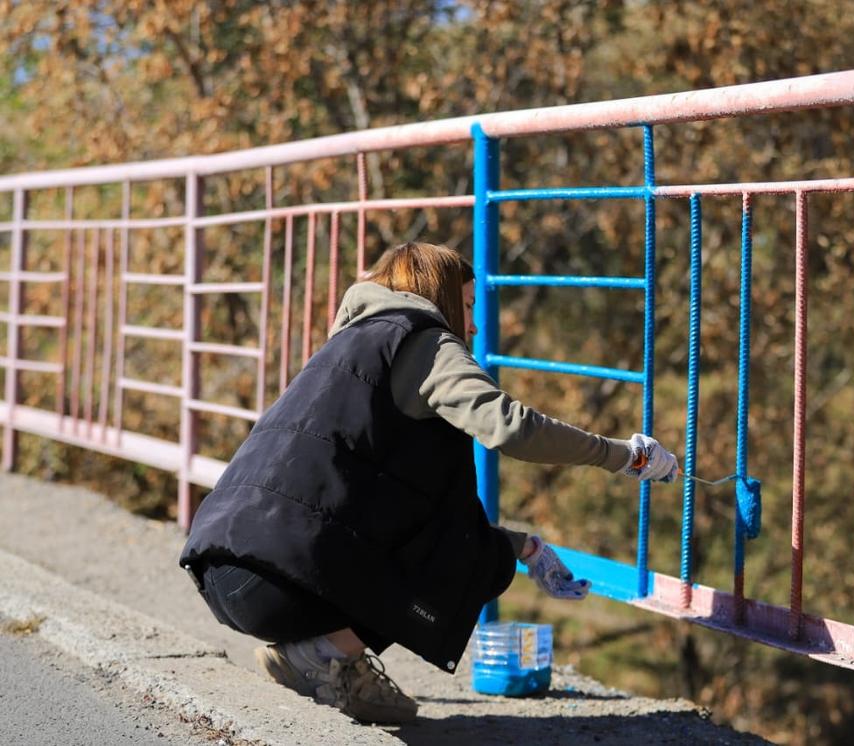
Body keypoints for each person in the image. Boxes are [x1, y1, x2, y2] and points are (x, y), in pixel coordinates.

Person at [179, 241, 678, 724]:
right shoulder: (424, 340)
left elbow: (380, 512)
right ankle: (325, 655)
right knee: (479, 558)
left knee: (469, 539)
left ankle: (322, 657)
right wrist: (626, 457)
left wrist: (526, 547)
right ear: (437, 298)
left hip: (222, 572)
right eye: (465, 305)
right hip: (281, 584)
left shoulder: (345, 349)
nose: (474, 325)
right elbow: (511, 428)